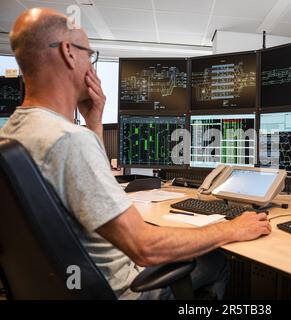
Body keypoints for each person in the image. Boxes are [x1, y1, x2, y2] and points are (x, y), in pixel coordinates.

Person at [0, 8, 271, 299]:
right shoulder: (68, 140)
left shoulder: (14, 134)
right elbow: (145, 247)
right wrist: (231, 229)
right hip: (126, 292)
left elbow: (84, 186)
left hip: (67, 287)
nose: (91, 67)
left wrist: (93, 121)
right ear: (68, 52)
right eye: (89, 55)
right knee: (216, 261)